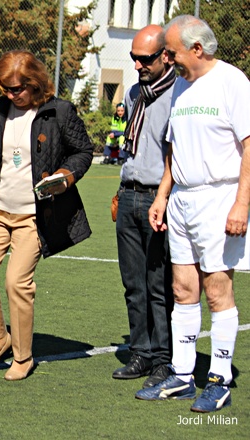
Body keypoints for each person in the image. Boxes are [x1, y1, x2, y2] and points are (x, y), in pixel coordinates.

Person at [138, 15, 250, 413]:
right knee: (183, 290)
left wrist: (241, 203)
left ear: (197, 48)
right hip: (182, 200)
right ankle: (183, 376)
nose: (167, 59)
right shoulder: (181, 86)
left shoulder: (233, 82)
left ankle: (219, 380)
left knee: (217, 291)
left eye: (171, 52)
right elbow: (174, 147)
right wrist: (162, 196)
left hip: (219, 197)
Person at [0, 50, 93, 381]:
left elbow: (83, 151)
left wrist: (65, 176)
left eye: (17, 89)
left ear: (34, 83)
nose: (10, 95)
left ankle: (23, 356)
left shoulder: (58, 111)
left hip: (35, 215)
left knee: (17, 282)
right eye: (5, 88)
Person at [111, 24, 176, 388]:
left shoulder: (179, 94)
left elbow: (175, 156)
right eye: (134, 57)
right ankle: (141, 353)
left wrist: (163, 198)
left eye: (145, 58)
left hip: (159, 198)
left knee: (159, 285)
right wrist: (121, 190)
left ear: (166, 55)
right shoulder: (136, 92)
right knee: (133, 283)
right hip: (130, 194)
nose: (138, 65)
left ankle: (164, 360)